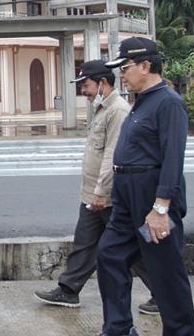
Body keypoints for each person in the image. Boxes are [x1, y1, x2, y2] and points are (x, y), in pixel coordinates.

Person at [86, 37, 194, 336]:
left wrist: (161, 208)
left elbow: (172, 160)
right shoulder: (142, 101)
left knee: (165, 270)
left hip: (152, 195)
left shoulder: (168, 103)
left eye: (125, 68)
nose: (122, 75)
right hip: (126, 197)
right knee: (109, 254)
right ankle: (120, 329)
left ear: (146, 66)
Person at [37, 60, 156, 314]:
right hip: (92, 193)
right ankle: (69, 290)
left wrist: (102, 191)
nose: (84, 91)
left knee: (133, 249)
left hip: (108, 196)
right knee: (84, 243)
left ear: (103, 82)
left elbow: (113, 155)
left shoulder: (118, 111)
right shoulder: (102, 109)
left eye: (87, 85)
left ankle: (161, 292)